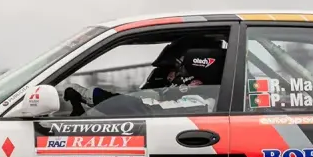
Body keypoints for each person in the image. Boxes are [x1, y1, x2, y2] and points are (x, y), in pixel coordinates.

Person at [59, 35, 227, 117]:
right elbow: (139, 102)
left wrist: (89, 95)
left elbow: (141, 108)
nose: (168, 78)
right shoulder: (201, 102)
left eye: (172, 70)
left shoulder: (200, 104)